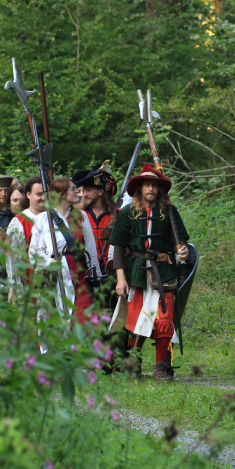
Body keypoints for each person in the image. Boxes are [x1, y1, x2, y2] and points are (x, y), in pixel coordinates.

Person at [108, 164, 189, 381]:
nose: (151, 189)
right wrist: (120, 278)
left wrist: (181, 251)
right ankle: (134, 361)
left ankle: (160, 367)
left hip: (163, 271)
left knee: (164, 319)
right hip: (135, 271)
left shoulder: (169, 213)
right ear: (140, 189)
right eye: (147, 185)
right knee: (137, 320)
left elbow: (178, 242)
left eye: (154, 185)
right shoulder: (128, 213)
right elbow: (118, 248)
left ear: (159, 190)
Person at [29, 177, 100, 327]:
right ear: (61, 194)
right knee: (63, 323)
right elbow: (34, 253)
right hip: (57, 275)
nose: (78, 193)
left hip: (80, 273)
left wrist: (96, 276)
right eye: (73, 189)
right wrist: (50, 262)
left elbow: (90, 248)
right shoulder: (43, 218)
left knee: (85, 320)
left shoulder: (82, 216)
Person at [73, 161, 117, 276]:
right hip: (86, 270)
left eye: (88, 190)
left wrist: (115, 236)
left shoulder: (117, 215)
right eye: (83, 191)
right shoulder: (77, 213)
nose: (84, 194)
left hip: (111, 272)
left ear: (100, 191)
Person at [5, 176, 43, 286]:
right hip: (28, 284)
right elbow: (11, 256)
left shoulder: (54, 217)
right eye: (39, 194)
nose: (43, 197)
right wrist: (14, 284)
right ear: (28, 195)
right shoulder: (18, 222)